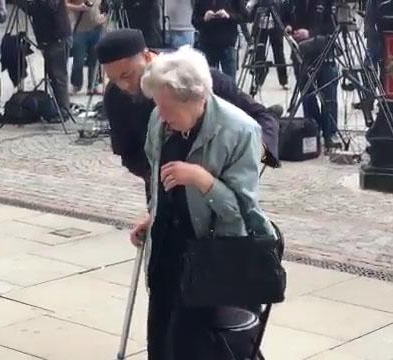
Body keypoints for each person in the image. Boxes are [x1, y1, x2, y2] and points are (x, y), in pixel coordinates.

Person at [129, 46, 273, 359]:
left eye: (168, 109)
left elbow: (241, 216)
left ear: (196, 98)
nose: (162, 117)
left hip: (209, 258)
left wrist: (201, 180)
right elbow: (158, 181)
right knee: (160, 342)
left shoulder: (240, 131)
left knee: (190, 348)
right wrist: (153, 215)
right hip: (167, 250)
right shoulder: (160, 119)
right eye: (159, 107)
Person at [96, 29, 279, 198]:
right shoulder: (115, 95)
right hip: (165, 193)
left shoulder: (194, 77)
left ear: (146, 56)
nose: (124, 85)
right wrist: (156, 174)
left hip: (216, 192)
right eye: (114, 79)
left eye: (127, 75)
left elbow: (261, 118)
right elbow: (127, 151)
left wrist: (250, 155)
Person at [283, 0, 339, 148]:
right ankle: (313, 132)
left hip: (323, 53)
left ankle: (329, 135)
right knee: (307, 96)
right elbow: (284, 14)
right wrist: (287, 26)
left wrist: (310, 34)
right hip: (300, 55)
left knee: (328, 97)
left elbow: (334, 26)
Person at [16, 0, 72, 115]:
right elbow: (33, 10)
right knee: (52, 75)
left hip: (57, 38)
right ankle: (57, 107)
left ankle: (64, 110)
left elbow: (49, 7)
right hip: (47, 38)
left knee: (58, 75)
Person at [192, 0, 248, 78]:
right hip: (207, 44)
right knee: (208, 79)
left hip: (227, 44)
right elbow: (194, 21)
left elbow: (245, 17)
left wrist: (228, 16)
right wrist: (204, 18)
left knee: (230, 79)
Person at [67, 0, 106, 95]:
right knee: (78, 60)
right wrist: (79, 8)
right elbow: (64, 4)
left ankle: (93, 85)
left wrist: (104, 17)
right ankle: (76, 84)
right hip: (80, 29)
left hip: (97, 28)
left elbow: (106, 6)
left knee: (95, 59)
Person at [247, 0, 288, 89]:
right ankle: (258, 81)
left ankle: (283, 81)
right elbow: (250, 17)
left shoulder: (277, 2)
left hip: (275, 28)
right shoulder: (258, 3)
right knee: (259, 54)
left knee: (279, 54)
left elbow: (283, 14)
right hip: (261, 28)